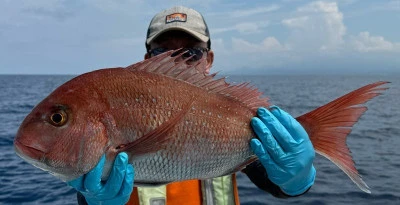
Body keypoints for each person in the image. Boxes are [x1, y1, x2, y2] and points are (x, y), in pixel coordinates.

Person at [68, 6, 316, 205]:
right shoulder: (118, 106)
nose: (177, 61)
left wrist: (297, 180)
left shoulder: (230, 115)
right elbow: (96, 175)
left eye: (192, 53)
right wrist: (90, 200)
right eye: (162, 52)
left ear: (208, 60)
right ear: (146, 60)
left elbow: (274, 182)